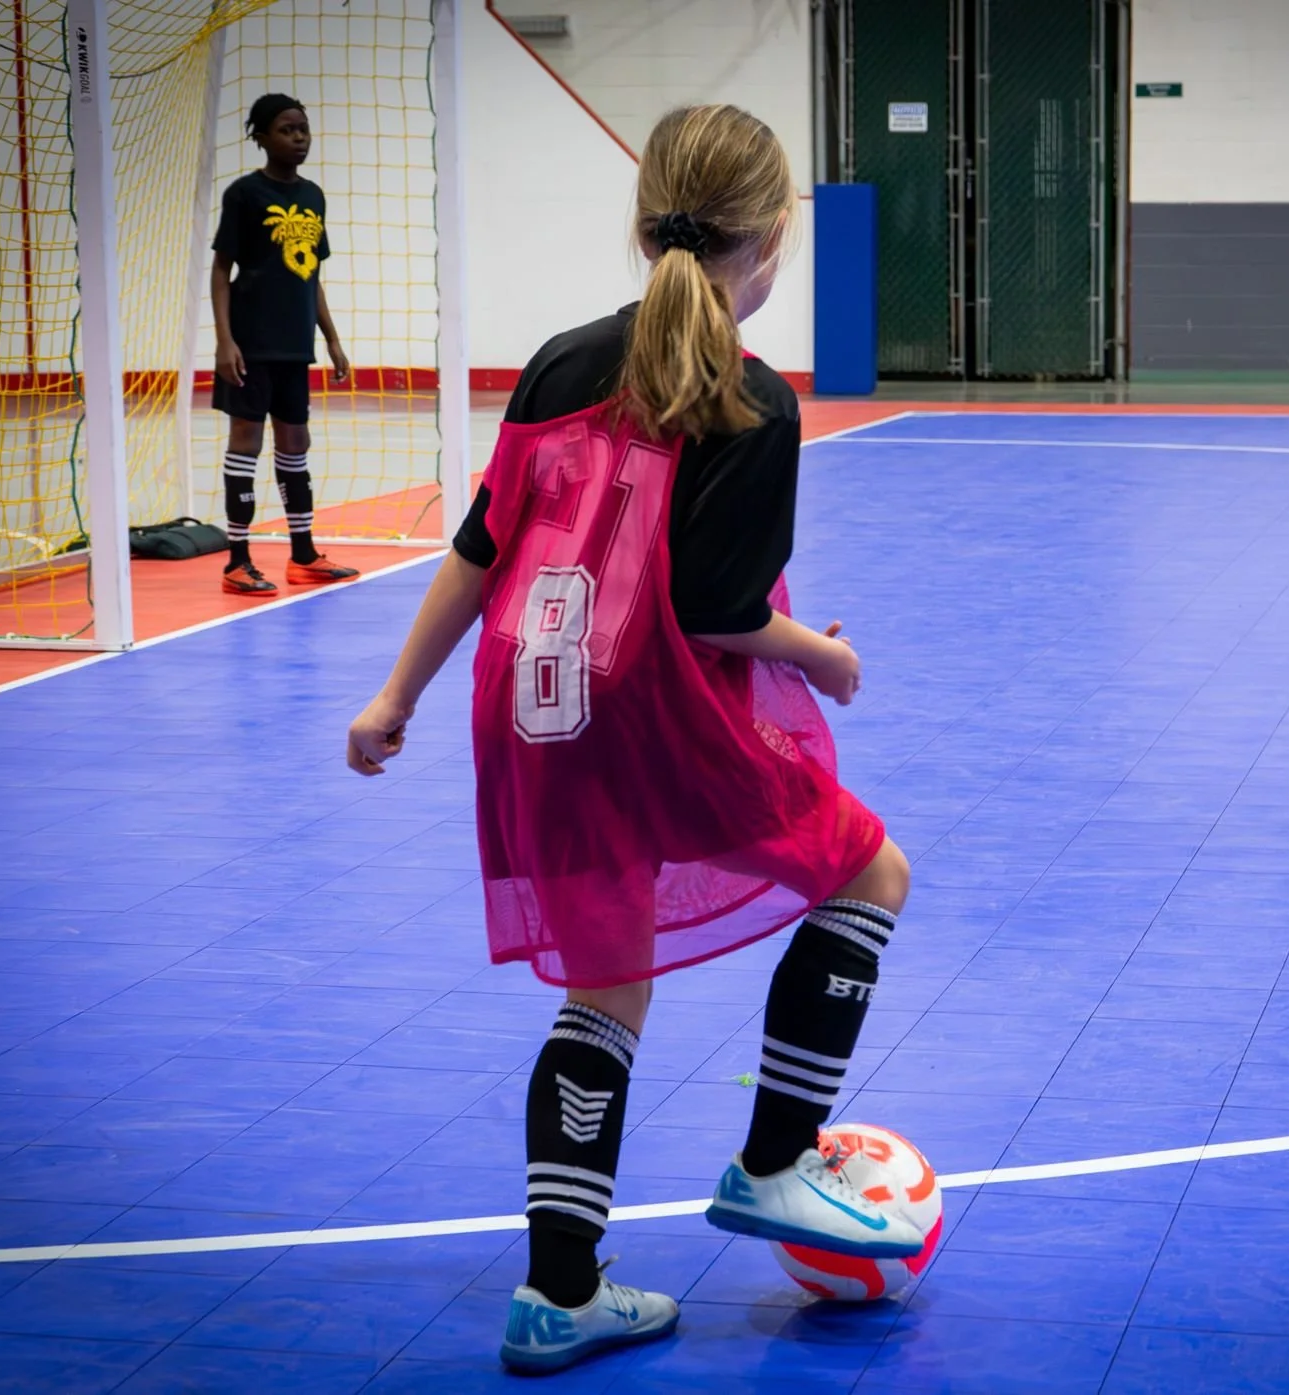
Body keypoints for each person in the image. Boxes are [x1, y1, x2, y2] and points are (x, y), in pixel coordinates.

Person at [344, 104, 920, 1375]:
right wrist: (818, 655)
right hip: (648, 708)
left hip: (534, 704)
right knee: (870, 875)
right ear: (770, 244)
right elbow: (716, 616)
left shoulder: (555, 362)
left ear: (642, 218)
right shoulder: (751, 399)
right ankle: (774, 1161)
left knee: (603, 988)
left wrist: (397, 696)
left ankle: (560, 1294)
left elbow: (479, 547)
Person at [209, 92, 358, 595]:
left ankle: (303, 555)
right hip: (250, 344)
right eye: (287, 130)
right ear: (261, 137)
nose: (299, 138)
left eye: (303, 130)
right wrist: (225, 340)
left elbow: (311, 274)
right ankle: (237, 561)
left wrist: (332, 339)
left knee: (296, 444)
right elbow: (219, 270)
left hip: (295, 345)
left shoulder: (314, 195)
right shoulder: (244, 195)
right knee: (245, 444)